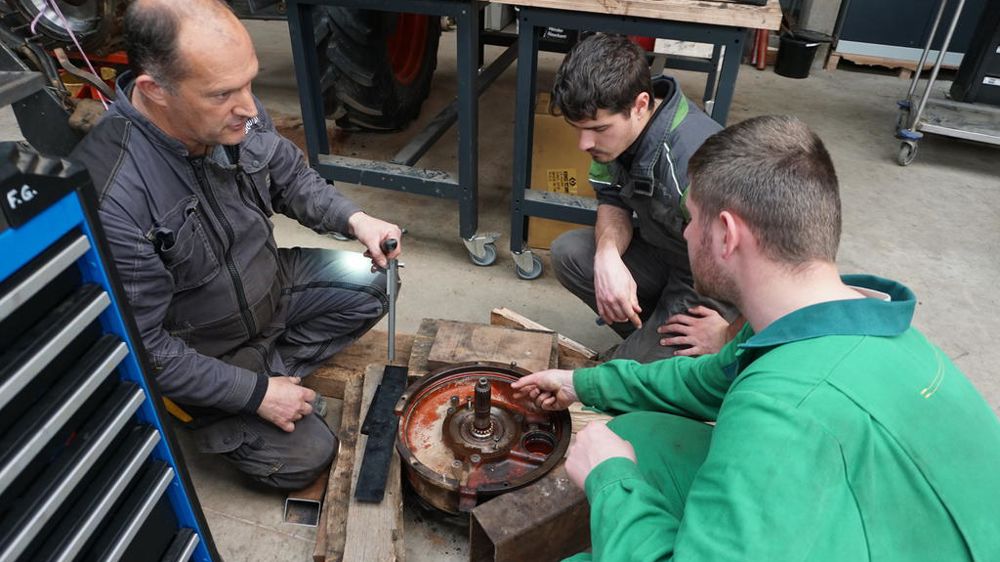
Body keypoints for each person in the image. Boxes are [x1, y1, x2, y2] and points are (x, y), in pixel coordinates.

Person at [514, 115, 1000, 561]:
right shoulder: (849, 319)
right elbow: (706, 381)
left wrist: (612, 481)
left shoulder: (783, 414)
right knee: (638, 434)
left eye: (691, 218)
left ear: (726, 234)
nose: (685, 236)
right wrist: (584, 385)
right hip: (893, 520)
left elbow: (779, 420)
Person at [71, 0, 402, 490]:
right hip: (201, 346)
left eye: (249, 81)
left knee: (376, 282)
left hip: (270, 289)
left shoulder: (233, 112)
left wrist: (356, 219)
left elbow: (288, 176)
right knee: (309, 456)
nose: (249, 108)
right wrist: (254, 394)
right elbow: (147, 349)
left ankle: (270, 372)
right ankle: (214, 402)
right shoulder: (113, 194)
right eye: (224, 92)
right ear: (153, 90)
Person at [548, 33, 740, 363]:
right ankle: (651, 338)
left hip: (712, 282)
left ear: (639, 105)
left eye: (598, 129)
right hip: (667, 253)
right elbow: (611, 198)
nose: (583, 144)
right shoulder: (615, 135)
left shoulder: (695, 165)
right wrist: (607, 255)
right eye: (577, 128)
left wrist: (730, 334)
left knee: (621, 383)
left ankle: (669, 350)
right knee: (571, 253)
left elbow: (772, 269)